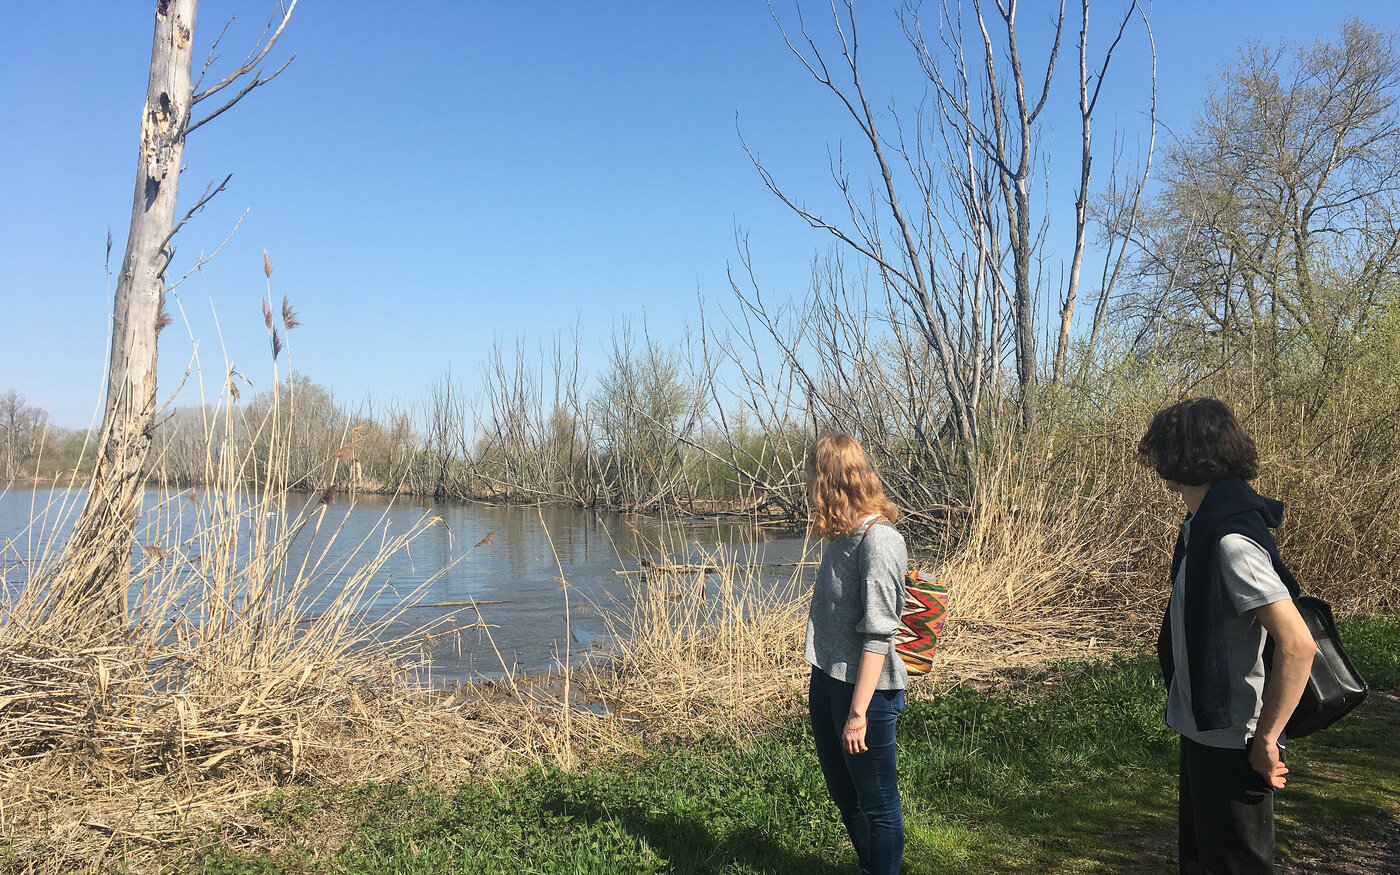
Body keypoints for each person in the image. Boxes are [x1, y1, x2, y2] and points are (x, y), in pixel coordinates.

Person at [1137, 398, 1318, 875]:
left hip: (1237, 744)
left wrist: (1267, 738)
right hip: (1204, 730)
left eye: (1159, 448)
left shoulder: (1230, 543)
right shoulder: (1202, 529)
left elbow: (1298, 644)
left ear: (1178, 456)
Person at [804, 433, 909, 875]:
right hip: (828, 680)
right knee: (845, 794)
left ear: (830, 480)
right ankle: (872, 866)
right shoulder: (841, 535)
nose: (807, 483)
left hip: (867, 696)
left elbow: (878, 634)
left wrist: (858, 714)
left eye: (812, 474)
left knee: (878, 803)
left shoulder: (879, 541)